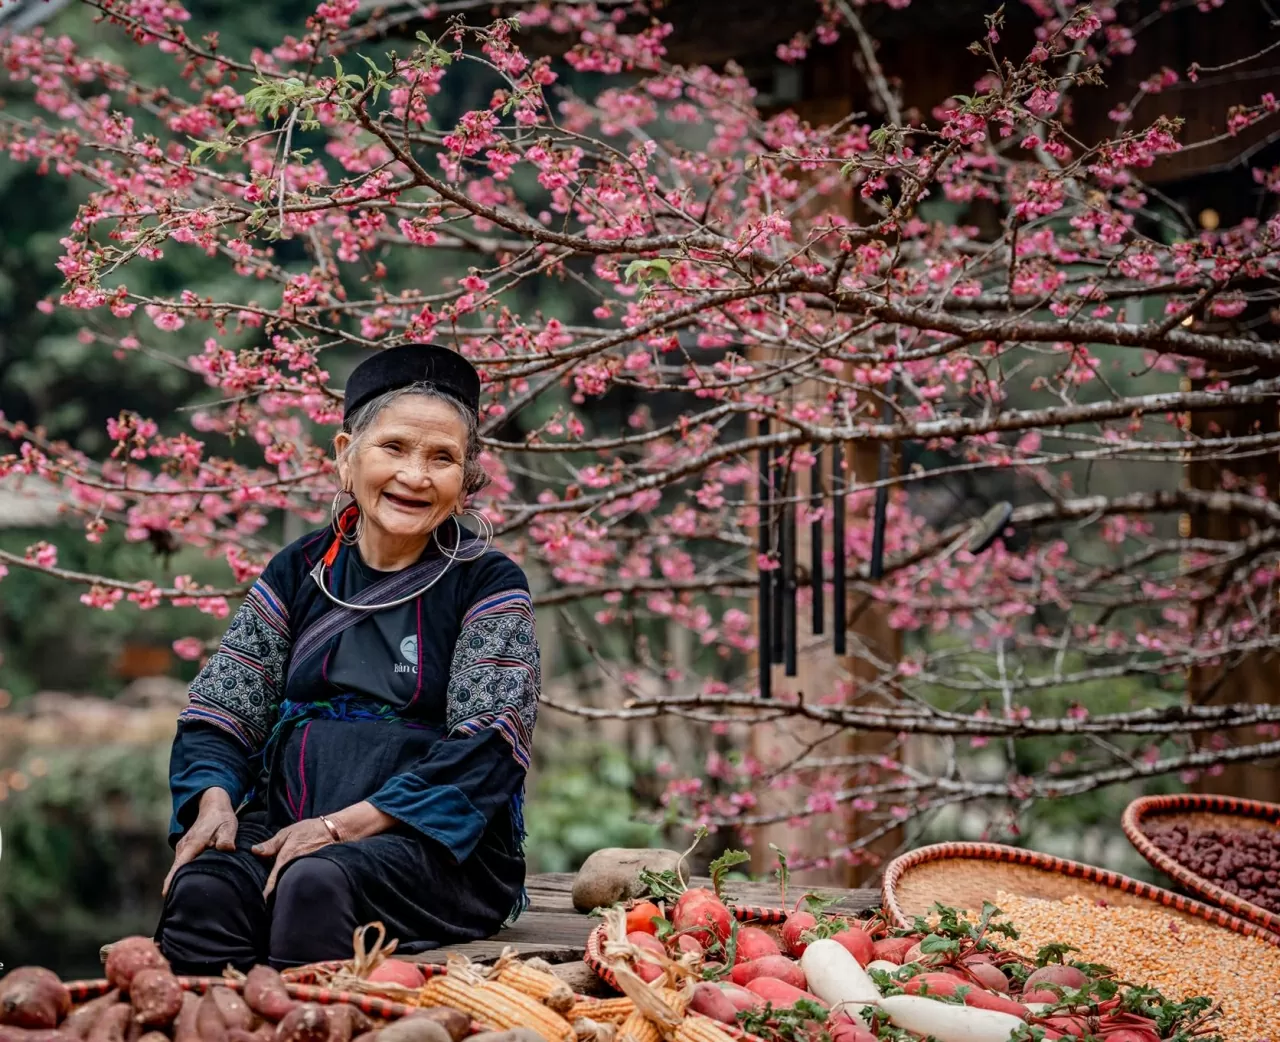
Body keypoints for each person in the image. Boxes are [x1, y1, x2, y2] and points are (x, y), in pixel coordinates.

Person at [155, 345, 540, 972]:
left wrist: (339, 828)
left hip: (428, 844)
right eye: (393, 448)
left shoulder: (487, 582)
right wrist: (214, 798)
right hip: (287, 815)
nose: (415, 477)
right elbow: (224, 708)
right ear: (345, 456)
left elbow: (490, 742)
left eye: (442, 458)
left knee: (314, 885)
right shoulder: (298, 570)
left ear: (466, 481)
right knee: (205, 890)